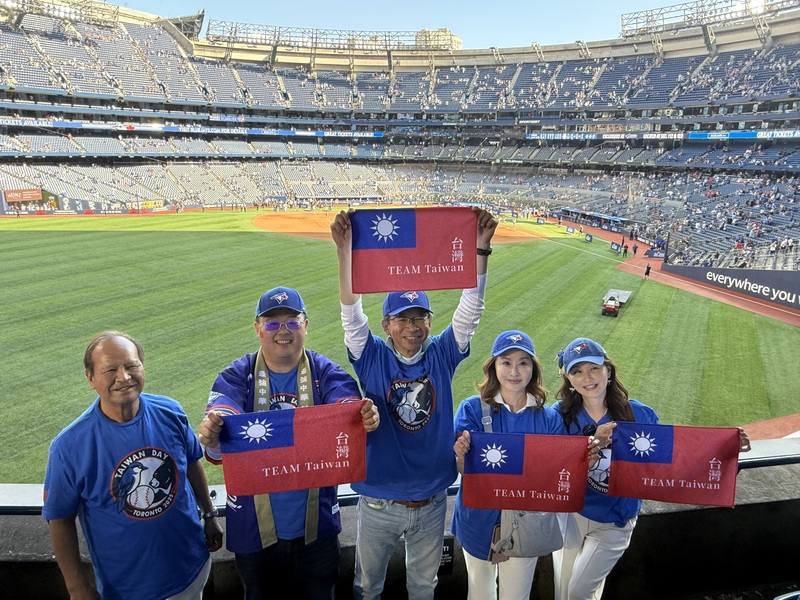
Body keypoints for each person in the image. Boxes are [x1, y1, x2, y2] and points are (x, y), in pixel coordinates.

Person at [331, 208, 497, 600]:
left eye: (419, 317)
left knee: (424, 588)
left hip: (432, 502)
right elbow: (351, 316)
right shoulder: (371, 356)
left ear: (429, 321)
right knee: (367, 588)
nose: (412, 326)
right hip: (377, 502)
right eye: (402, 319)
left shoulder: (440, 354)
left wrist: (481, 251)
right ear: (386, 324)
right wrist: (345, 252)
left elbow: (470, 311)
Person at [197, 286, 379, 600]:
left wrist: (363, 417)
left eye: (292, 322)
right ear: (257, 328)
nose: (283, 330)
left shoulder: (326, 372)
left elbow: (346, 407)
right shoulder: (237, 375)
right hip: (253, 532)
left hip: (316, 530)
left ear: (306, 325)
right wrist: (214, 429)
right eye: (272, 323)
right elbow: (223, 416)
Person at [550, 337, 750, 600]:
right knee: (563, 590)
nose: (587, 377)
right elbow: (548, 466)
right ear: (569, 380)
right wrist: (589, 446)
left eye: (594, 368)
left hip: (615, 521)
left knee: (577, 592)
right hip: (571, 516)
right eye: (577, 371)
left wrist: (724, 449)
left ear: (608, 372)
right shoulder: (559, 415)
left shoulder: (640, 415)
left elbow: (671, 458)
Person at [43, 331, 223, 600]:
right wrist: (77, 587)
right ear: (90, 378)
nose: (124, 377)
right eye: (111, 370)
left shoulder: (170, 412)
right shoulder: (68, 446)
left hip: (191, 569)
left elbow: (192, 461)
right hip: (127, 588)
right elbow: (59, 519)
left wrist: (209, 515)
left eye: (131, 366)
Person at [452, 331, 609, 600]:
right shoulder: (471, 409)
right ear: (494, 366)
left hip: (527, 523)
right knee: (479, 593)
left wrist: (586, 455)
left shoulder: (548, 418)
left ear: (533, 369)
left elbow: (558, 471)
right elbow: (465, 471)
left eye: (523, 362)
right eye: (506, 362)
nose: (514, 371)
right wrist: (461, 455)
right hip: (478, 521)